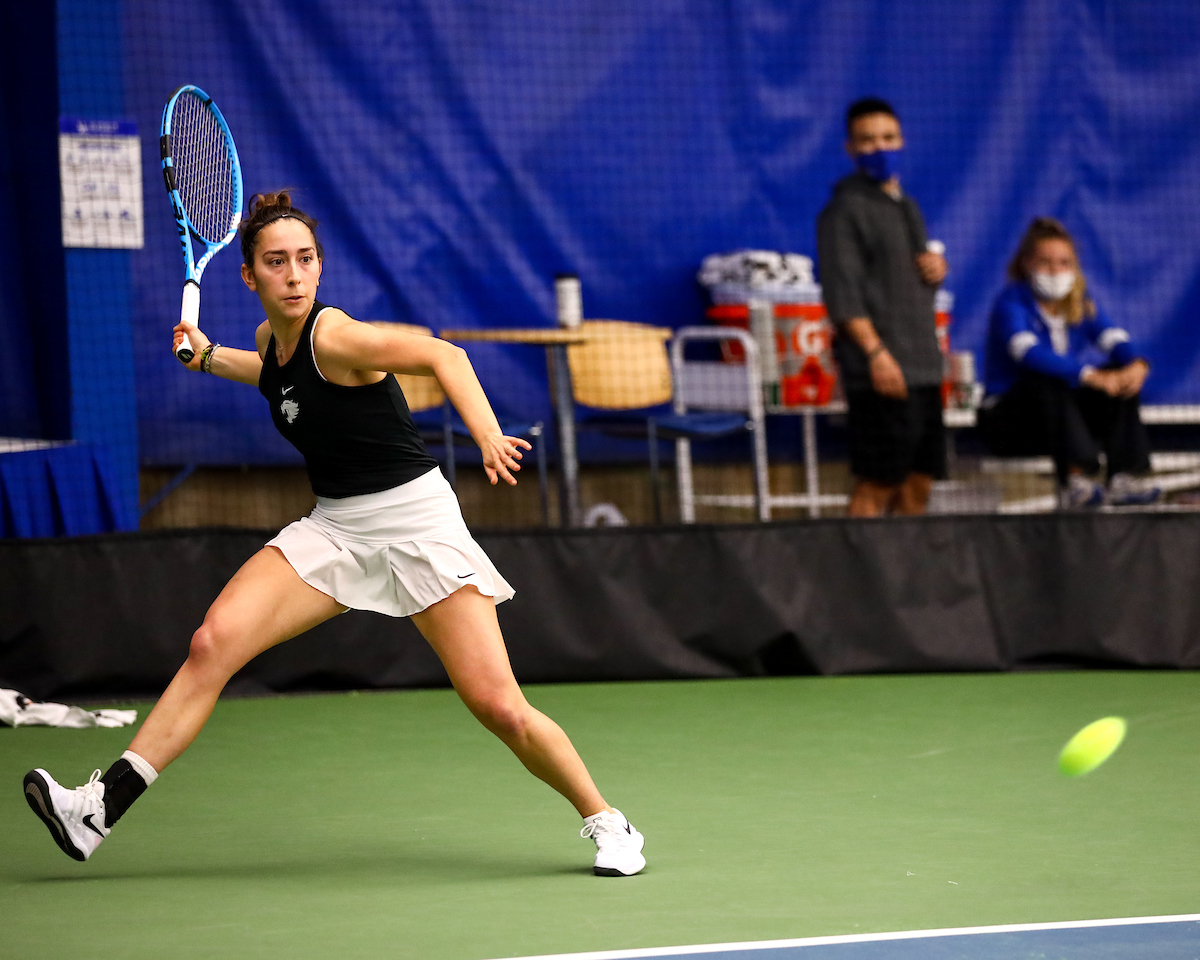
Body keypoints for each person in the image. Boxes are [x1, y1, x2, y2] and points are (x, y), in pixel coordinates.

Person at [22, 191, 646, 877]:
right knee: (212, 643)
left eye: (305, 260)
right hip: (337, 526)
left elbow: (446, 357)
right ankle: (99, 809)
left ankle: (606, 820)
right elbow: (275, 378)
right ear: (249, 275)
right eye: (276, 262)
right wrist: (205, 358)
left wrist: (489, 435)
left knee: (500, 707)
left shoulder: (336, 334)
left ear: (319, 268)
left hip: (416, 525)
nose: (293, 275)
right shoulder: (272, 340)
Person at [817, 97, 949, 517]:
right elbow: (843, 294)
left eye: (888, 138)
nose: (880, 148)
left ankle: (908, 579)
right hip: (882, 372)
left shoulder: (906, 205)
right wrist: (876, 354)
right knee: (879, 480)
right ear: (850, 149)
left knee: (919, 480)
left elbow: (905, 278)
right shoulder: (843, 211)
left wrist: (935, 269)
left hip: (924, 366)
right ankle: (858, 577)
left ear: (902, 140)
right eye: (867, 141)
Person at [980, 216, 1158, 508]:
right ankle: (1076, 479)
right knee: (1048, 376)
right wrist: (1088, 375)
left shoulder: (1080, 302)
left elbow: (1113, 338)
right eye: (1045, 262)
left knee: (1118, 375)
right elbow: (1027, 353)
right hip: (1009, 421)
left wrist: (1137, 364)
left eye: (1064, 263)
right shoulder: (1010, 303)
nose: (1055, 271)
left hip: (1062, 419)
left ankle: (1125, 477)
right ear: (1026, 264)